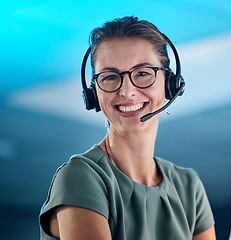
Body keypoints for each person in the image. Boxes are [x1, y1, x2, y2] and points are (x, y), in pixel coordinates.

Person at [39, 16, 216, 240]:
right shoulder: (81, 176)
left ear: (170, 84)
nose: (127, 91)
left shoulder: (188, 187)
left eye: (142, 73)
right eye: (111, 77)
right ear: (94, 92)